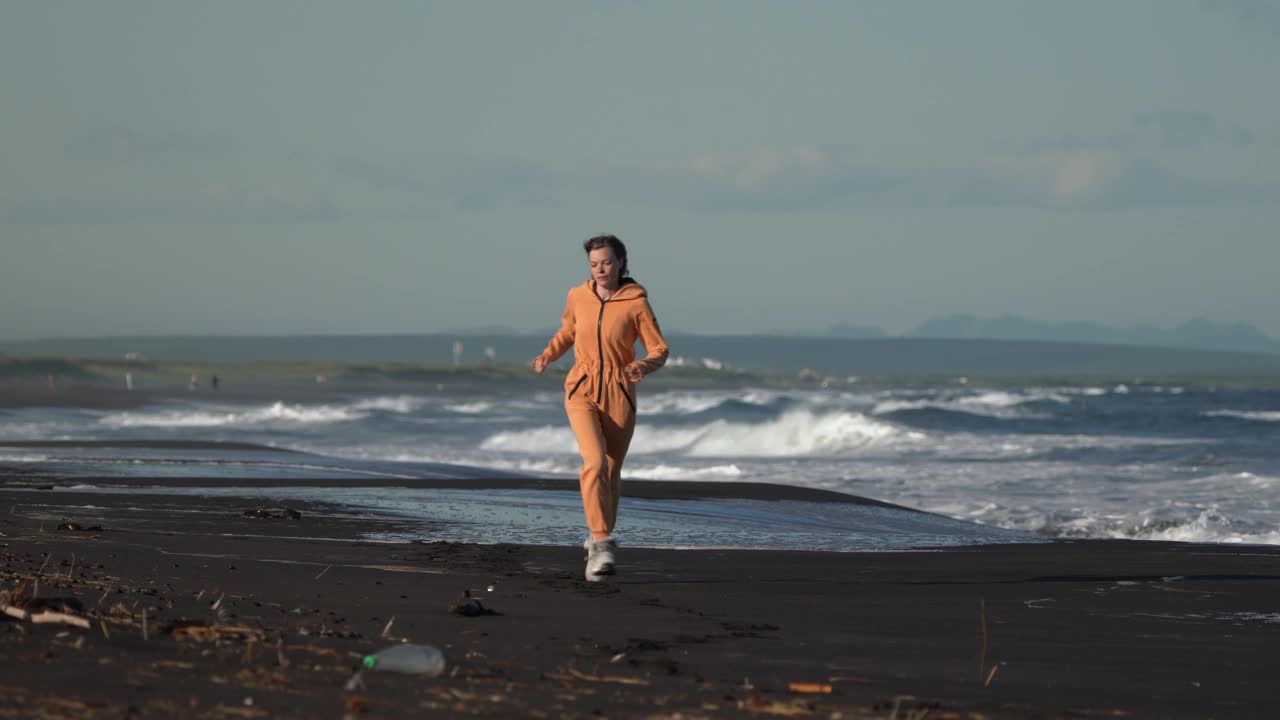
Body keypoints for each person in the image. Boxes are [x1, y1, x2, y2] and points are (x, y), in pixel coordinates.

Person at [531, 235, 669, 581]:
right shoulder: (578, 296)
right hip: (581, 386)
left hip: (619, 391)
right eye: (594, 264)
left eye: (606, 262)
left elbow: (659, 350)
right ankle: (603, 542)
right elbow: (568, 331)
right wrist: (549, 353)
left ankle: (597, 542)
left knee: (610, 471)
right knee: (593, 462)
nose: (600, 269)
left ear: (621, 262)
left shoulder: (636, 302)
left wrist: (643, 366)